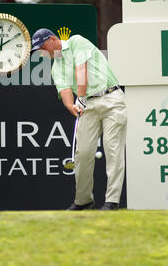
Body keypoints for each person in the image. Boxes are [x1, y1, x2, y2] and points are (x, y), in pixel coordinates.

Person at [31, 28, 127, 211]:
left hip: (112, 99)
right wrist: (73, 106)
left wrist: (80, 97)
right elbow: (65, 91)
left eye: (43, 47)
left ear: (52, 40)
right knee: (82, 153)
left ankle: (112, 201)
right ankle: (84, 200)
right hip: (87, 106)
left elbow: (81, 70)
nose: (43, 53)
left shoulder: (76, 41)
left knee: (112, 149)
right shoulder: (55, 67)